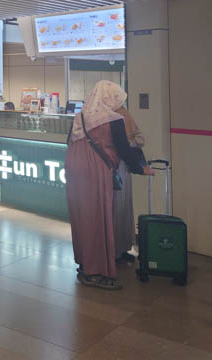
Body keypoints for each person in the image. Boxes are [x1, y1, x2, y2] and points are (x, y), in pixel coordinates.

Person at [65, 81, 152, 291]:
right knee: (97, 219)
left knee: (82, 217)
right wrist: (140, 169)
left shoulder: (80, 117)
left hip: (74, 168)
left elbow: (69, 141)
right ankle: (96, 272)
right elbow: (123, 149)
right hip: (95, 170)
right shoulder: (113, 119)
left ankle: (84, 263)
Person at [113, 106, 147, 263]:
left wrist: (127, 143)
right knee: (119, 207)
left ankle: (120, 248)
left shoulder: (120, 113)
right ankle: (118, 249)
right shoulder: (113, 113)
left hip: (120, 167)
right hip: (116, 167)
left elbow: (138, 139)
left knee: (120, 207)